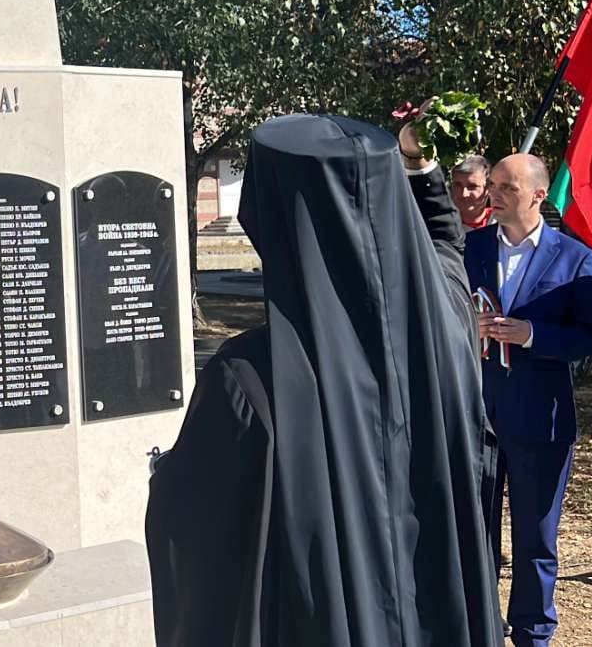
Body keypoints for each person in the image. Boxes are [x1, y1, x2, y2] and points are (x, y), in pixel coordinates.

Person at [145, 112, 500, 647]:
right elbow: (446, 248)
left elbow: (200, 542)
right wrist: (418, 166)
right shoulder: (452, 326)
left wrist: (165, 475)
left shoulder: (248, 377)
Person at [463, 153, 592, 646]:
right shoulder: (471, 247)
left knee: (535, 538)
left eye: (508, 187)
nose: (494, 195)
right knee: (473, 533)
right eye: (493, 185)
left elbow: (587, 337)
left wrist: (531, 335)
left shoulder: (575, 257)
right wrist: (466, 325)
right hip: (475, 414)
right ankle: (477, 625)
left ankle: (533, 632)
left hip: (541, 417)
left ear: (539, 195)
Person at [452, 154, 494, 229]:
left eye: (472, 186)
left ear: (488, 188)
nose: (464, 194)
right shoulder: (439, 225)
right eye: (458, 185)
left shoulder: (504, 223)